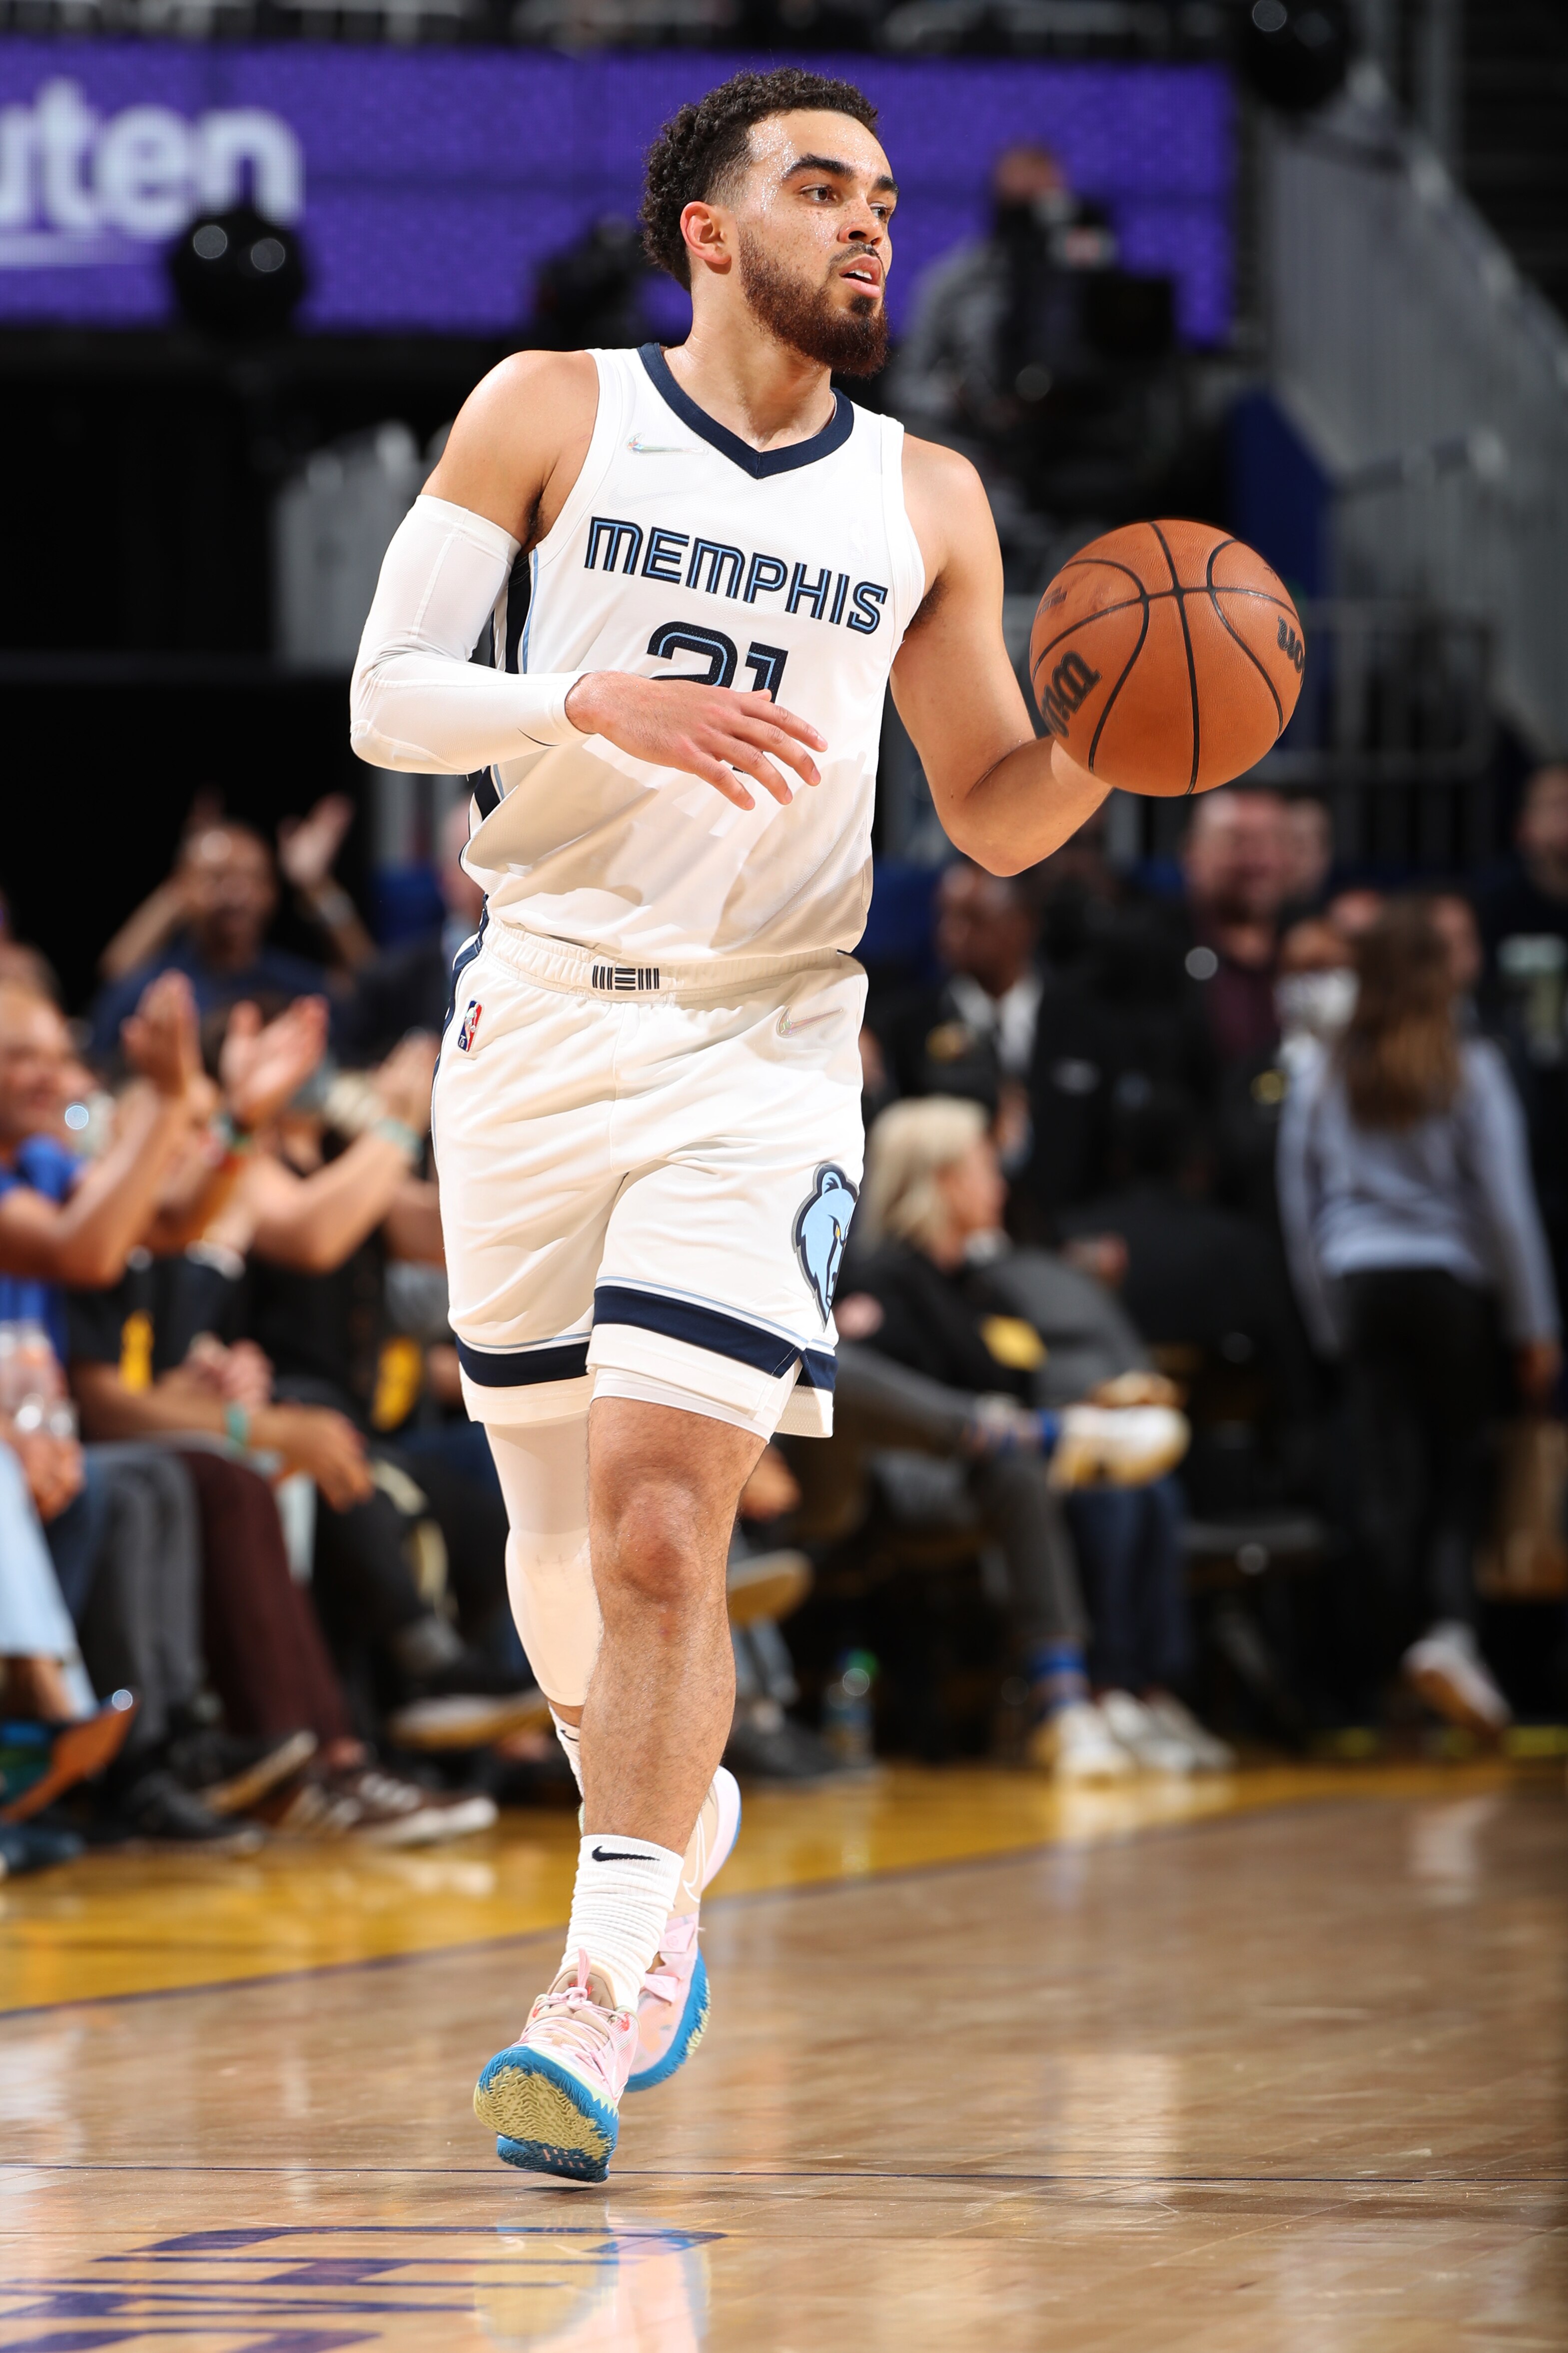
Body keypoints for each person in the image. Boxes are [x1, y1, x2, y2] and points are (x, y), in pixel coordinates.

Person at [349, 65, 1110, 2183]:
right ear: (707, 227)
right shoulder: (550, 409)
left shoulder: (927, 497)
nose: (870, 224)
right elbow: (388, 695)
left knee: (667, 1524)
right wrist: (574, 700)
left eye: (885, 197)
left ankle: (599, 1984)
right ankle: (669, 1821)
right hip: (533, 1019)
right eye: (821, 187)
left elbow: (993, 807)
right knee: (553, 1544)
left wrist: (1115, 743)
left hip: (765, 1046)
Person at [833, 1095, 1198, 1777]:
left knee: (1137, 1490)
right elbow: (865, 1404)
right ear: (943, 1180)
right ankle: (1081, 1696)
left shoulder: (981, 1289)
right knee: (1036, 1472)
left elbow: (1019, 1374)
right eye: (985, 1168)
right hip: (900, 1484)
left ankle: (1124, 1693)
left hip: (995, 1472)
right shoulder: (875, 1284)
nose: (1000, 1184)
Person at [1277, 900, 1561, 1734]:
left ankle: (1392, 1663)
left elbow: (1300, 1204)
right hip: (1449, 1287)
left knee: (1381, 1481)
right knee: (1458, 1469)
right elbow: (1505, 1207)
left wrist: (1324, 1316)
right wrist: (1534, 1326)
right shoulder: (1468, 1066)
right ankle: (1448, 1633)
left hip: (1359, 1286)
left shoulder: (1323, 1068)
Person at [88, 817, 340, 1057]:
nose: (236, 893)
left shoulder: (301, 989)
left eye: (252, 878)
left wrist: (317, 886)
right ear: (182, 888)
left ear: (272, 891)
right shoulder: (152, 995)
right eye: (216, 878)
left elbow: (361, 989)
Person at [341, 799, 486, 1062]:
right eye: (482, 863)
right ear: (445, 878)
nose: (497, 879)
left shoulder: (550, 965)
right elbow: (348, 1068)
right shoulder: (389, 980)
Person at [1178, 789, 1294, 1067]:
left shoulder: (1322, 948)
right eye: (1236, 842)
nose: (1255, 862)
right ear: (1192, 852)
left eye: (1270, 842)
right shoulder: (1144, 960)